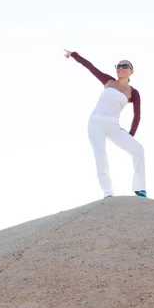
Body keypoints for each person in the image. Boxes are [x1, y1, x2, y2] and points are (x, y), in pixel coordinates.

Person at [63, 49, 146, 198]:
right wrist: (74, 55)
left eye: (125, 66)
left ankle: (140, 188)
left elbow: (137, 116)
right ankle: (108, 192)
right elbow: (90, 67)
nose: (120, 68)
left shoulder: (133, 93)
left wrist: (130, 135)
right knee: (101, 156)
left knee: (138, 149)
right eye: (118, 66)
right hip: (96, 122)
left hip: (114, 126)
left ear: (131, 72)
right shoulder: (108, 81)